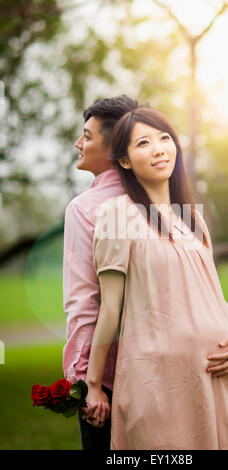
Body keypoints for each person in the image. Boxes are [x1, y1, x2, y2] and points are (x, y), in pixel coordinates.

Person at [86, 107, 228, 450]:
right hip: (157, 380)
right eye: (144, 143)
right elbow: (110, 307)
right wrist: (92, 384)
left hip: (214, 373)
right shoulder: (117, 214)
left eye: (165, 138)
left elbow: (209, 294)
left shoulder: (193, 219)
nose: (160, 149)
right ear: (125, 161)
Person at [62, 95, 139, 450]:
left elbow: (84, 301)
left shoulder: (85, 209)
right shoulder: (155, 204)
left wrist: (82, 380)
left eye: (87, 136)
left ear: (112, 150)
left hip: (105, 378)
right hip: (157, 370)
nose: (79, 144)